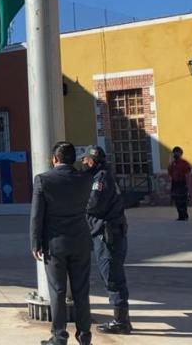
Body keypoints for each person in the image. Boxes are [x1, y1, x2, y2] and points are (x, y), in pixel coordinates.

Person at [30, 141, 93, 345]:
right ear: (72, 159)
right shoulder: (85, 178)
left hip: (54, 243)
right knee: (81, 290)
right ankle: (84, 336)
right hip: (81, 241)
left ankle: (59, 336)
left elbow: (36, 216)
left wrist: (35, 243)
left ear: (54, 159)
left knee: (57, 290)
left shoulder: (43, 180)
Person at [81, 145, 133, 335]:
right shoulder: (103, 176)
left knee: (112, 277)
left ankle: (121, 321)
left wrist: (77, 203)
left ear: (92, 161)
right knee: (112, 275)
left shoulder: (100, 179)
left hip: (107, 234)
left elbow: (94, 205)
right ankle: (122, 318)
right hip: (111, 232)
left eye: (85, 160)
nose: (83, 164)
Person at [167, 147, 191, 221]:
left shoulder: (184, 163)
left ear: (181, 154)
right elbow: (170, 172)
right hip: (175, 182)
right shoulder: (173, 163)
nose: (175, 154)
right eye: (174, 152)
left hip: (182, 182)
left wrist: (183, 177)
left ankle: (185, 215)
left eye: (177, 152)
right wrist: (170, 166)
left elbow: (188, 171)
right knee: (177, 199)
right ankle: (180, 215)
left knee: (183, 199)